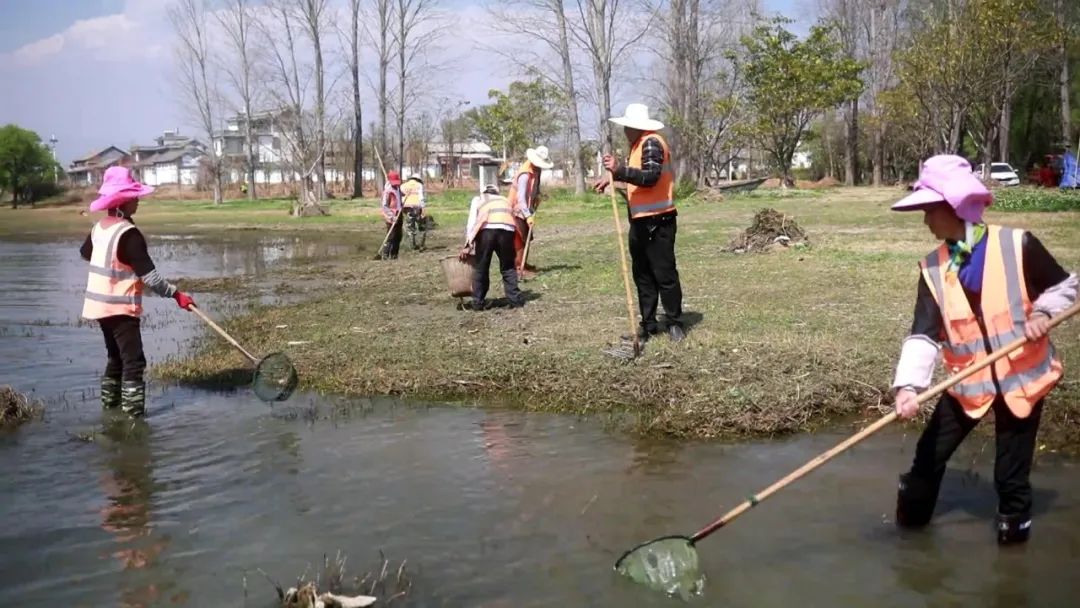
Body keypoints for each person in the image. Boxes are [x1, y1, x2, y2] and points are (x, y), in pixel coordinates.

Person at [889, 154, 1077, 544]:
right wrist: (909, 388)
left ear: (954, 207)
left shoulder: (1018, 244)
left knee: (1011, 477)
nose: (925, 221)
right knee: (927, 460)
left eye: (929, 210)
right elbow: (924, 332)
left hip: (1022, 380)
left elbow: (1065, 287)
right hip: (967, 382)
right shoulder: (932, 268)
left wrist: (1044, 311)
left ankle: (1012, 552)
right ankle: (907, 538)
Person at [80, 167, 196, 418]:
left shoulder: (101, 227)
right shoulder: (128, 234)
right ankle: (133, 420)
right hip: (120, 308)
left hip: (100, 308)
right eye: (135, 197)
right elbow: (151, 277)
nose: (138, 200)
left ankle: (109, 411)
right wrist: (178, 296)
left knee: (116, 359)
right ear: (123, 200)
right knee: (134, 362)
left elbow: (86, 253)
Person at [592, 103, 685, 343]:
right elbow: (638, 182)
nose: (623, 131)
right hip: (640, 223)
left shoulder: (651, 142)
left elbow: (651, 178)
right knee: (642, 274)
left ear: (635, 127)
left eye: (626, 127)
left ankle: (674, 323)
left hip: (659, 221)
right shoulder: (637, 146)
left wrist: (620, 170)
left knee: (664, 274)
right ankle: (649, 323)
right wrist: (614, 180)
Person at [461, 184, 524, 310]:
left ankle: (478, 303)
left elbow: (472, 222)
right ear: (497, 192)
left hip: (487, 231)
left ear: (484, 192)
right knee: (508, 267)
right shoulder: (504, 200)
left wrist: (467, 245)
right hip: (507, 230)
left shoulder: (479, 199)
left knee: (481, 267)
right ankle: (515, 301)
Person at [508, 146, 553, 278]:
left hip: (526, 209)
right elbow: (521, 198)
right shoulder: (524, 175)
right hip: (517, 209)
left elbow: (533, 190)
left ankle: (524, 263)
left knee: (527, 236)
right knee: (520, 237)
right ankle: (518, 267)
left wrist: (537, 197)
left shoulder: (536, 170)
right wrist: (527, 216)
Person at [380, 170, 404, 259]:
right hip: (391, 215)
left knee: (398, 236)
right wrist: (391, 216)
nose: (396, 184)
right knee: (391, 235)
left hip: (399, 213)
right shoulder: (387, 191)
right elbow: (385, 206)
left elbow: (399, 198)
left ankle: (394, 255)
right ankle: (385, 254)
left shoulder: (398, 188)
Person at [400, 174, 428, 251]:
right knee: (421, 225)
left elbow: (401, 197)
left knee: (410, 226)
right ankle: (421, 244)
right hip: (417, 207)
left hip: (406, 207)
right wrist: (423, 208)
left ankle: (412, 245)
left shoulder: (403, 186)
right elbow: (421, 197)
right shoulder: (419, 185)